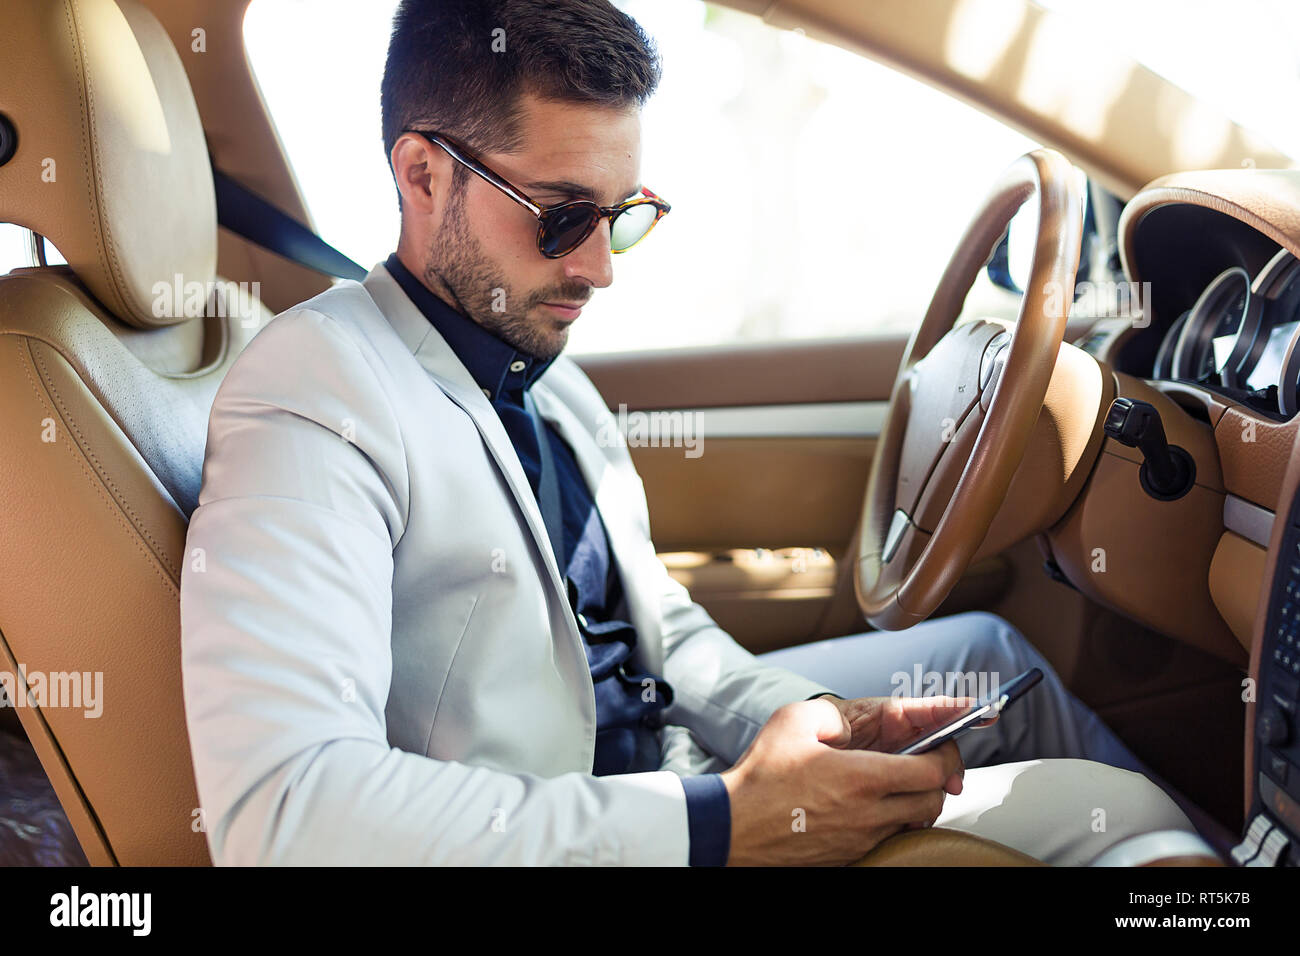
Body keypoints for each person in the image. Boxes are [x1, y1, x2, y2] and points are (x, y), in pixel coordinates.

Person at [179, 0, 1209, 866]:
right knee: (1116, 817)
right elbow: (287, 813)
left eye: (623, 214)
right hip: (588, 822)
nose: (599, 267)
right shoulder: (314, 390)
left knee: (983, 659)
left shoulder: (542, 373)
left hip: (663, 780)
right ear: (423, 176)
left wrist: (804, 715)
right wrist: (724, 822)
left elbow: (660, 639)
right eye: (558, 215)